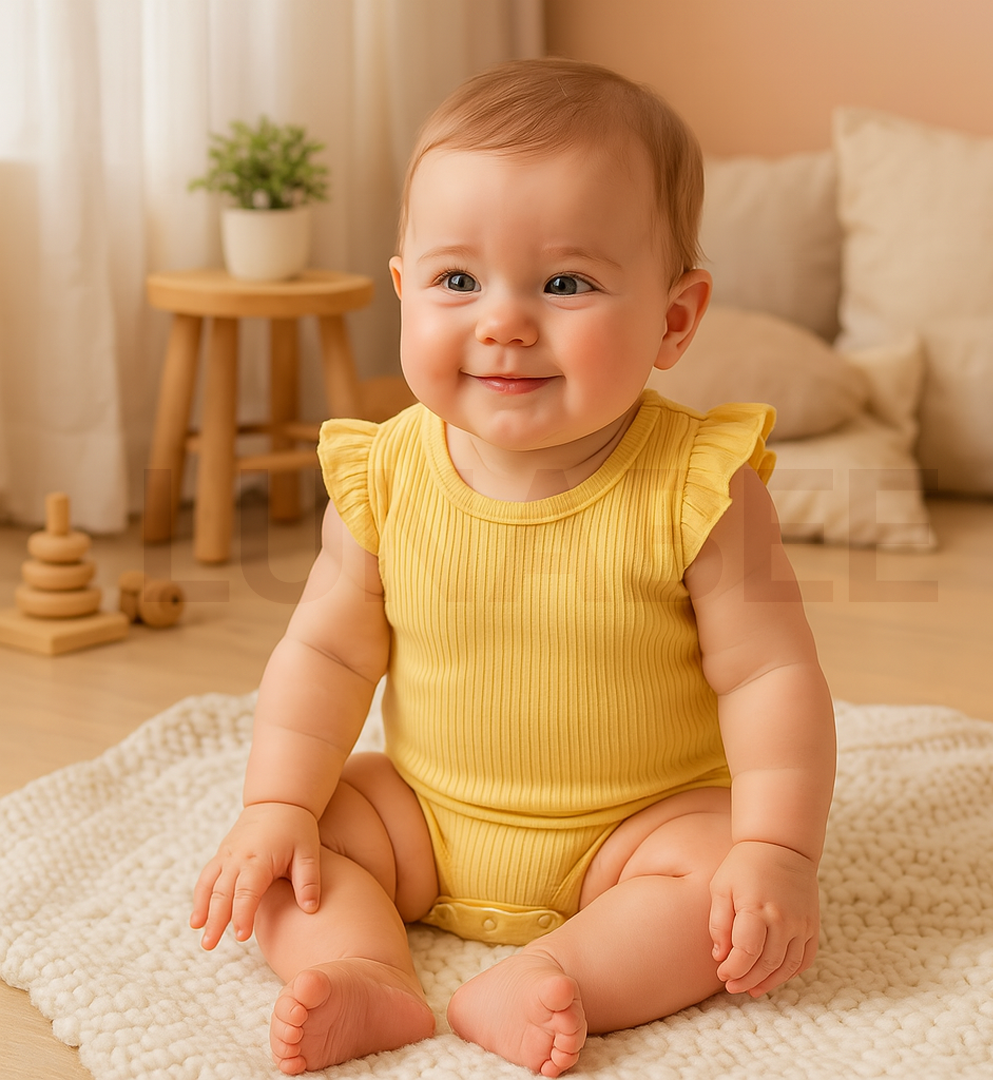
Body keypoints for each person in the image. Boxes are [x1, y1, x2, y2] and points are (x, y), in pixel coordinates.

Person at [190, 57, 836, 1078]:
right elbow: (323, 652)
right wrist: (274, 805)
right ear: (404, 291)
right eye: (458, 280)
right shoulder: (385, 471)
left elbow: (771, 676)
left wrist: (779, 852)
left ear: (674, 320)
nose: (503, 320)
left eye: (565, 283)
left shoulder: (702, 486)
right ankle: (366, 973)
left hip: (636, 830)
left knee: (717, 880)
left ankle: (558, 976)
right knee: (294, 853)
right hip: (424, 816)